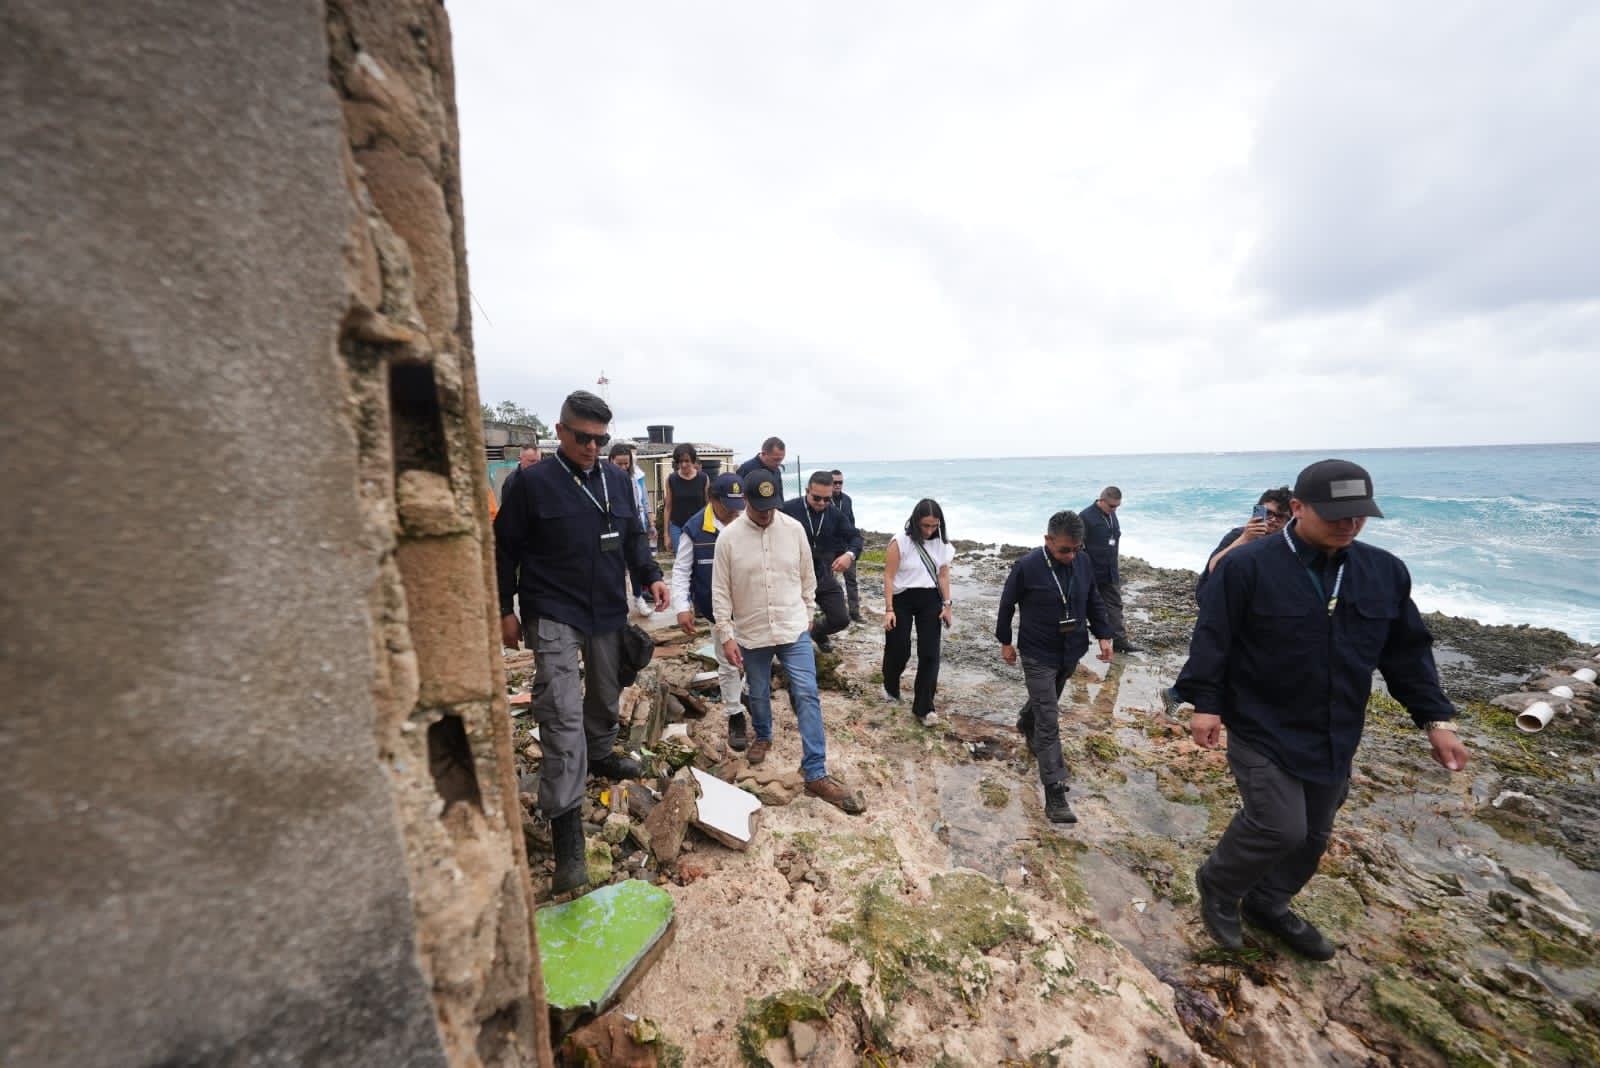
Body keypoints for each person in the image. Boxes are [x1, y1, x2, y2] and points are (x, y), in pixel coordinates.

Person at [1177, 459, 1469, 959]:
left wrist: (1435, 719)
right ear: (1297, 508)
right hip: (1260, 722)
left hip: (1335, 730)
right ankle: (1220, 886)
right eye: (1336, 513)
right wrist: (1206, 703)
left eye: (1359, 514)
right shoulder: (1248, 566)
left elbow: (1407, 653)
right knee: (1278, 825)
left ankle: (1269, 903)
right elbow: (1215, 637)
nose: (1349, 523)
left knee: (1313, 836)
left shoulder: (1384, 572)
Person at [494, 390, 669, 894]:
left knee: (605, 693)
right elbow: (504, 549)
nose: (592, 447)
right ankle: (568, 831)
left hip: (605, 607)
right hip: (552, 608)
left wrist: (650, 576)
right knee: (559, 709)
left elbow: (634, 537)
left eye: (601, 439)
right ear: (560, 431)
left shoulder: (617, 480)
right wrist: (505, 608)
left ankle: (600, 751)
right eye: (582, 438)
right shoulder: (530, 485)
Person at [712, 468, 864, 814]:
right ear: (746, 501)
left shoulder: (792, 530)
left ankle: (815, 770)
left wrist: (808, 611)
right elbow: (720, 591)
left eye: (771, 507)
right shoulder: (729, 539)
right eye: (759, 507)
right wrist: (726, 634)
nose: (766, 514)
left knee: (807, 693)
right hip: (752, 631)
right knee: (760, 691)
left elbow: (807, 576)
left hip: (793, 626)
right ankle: (763, 734)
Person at [996, 510, 1113, 824]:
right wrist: (1005, 641)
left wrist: (1104, 634)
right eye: (1064, 550)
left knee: (1044, 704)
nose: (1070, 555)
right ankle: (1055, 792)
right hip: (1037, 652)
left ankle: (1025, 719)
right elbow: (1007, 605)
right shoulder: (1027, 567)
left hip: (1071, 650)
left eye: (1076, 549)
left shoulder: (1083, 562)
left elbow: (1093, 600)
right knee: (1049, 719)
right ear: (1047, 540)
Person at [1158, 487, 1292, 716]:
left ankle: (1178, 694)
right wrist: (1246, 538)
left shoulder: (1287, 545)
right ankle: (1180, 695)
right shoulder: (1237, 536)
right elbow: (1214, 568)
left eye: (1281, 517)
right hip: (1222, 607)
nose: (1273, 520)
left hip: (1257, 613)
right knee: (1214, 657)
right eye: (1268, 513)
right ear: (1256, 511)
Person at [672, 473, 750, 750]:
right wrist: (682, 607)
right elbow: (681, 571)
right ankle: (734, 715)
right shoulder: (694, 529)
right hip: (717, 611)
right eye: (727, 505)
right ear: (712, 499)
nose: (733, 511)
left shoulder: (747, 522)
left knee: (754, 658)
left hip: (749, 606)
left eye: (737, 504)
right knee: (728, 662)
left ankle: (747, 693)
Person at [881, 499, 955, 726]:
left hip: (930, 599)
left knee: (930, 654)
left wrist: (948, 605)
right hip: (902, 598)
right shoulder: (900, 542)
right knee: (899, 648)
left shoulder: (942, 544)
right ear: (915, 521)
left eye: (934, 526)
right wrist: (889, 609)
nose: (930, 530)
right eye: (925, 526)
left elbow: (942, 576)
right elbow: (889, 576)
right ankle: (890, 686)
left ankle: (924, 707)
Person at [779, 471, 862, 654]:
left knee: (841, 618)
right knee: (793, 621)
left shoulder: (834, 513)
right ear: (807, 490)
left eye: (827, 499)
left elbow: (855, 537)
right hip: (792, 576)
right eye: (817, 498)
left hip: (822, 574)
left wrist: (849, 555)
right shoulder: (787, 509)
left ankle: (817, 632)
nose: (822, 503)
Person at [1081, 486, 1139, 653]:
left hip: (1110, 571)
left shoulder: (1112, 515)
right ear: (1101, 500)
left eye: (1117, 507)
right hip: (1091, 573)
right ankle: (1077, 642)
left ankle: (1120, 642)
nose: (1114, 509)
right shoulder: (1085, 517)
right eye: (1112, 506)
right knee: (1082, 607)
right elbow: (1077, 546)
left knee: (1115, 606)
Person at [609, 441, 657, 617]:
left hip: (636, 526)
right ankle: (619, 603)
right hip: (614, 529)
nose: (622, 467)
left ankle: (639, 598)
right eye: (619, 463)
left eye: (626, 463)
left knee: (636, 564)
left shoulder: (635, 479)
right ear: (611, 460)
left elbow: (643, 502)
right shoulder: (605, 480)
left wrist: (650, 524)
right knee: (616, 568)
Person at [662, 443, 709, 553]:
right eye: (680, 461)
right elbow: (668, 507)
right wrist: (666, 534)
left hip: (698, 527)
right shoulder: (671, 479)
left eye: (686, 461)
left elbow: (708, 506)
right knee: (680, 561)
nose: (683, 465)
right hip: (677, 527)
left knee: (698, 560)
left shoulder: (703, 478)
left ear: (692, 461)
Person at [830, 470, 863, 622]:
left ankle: (855, 613)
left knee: (851, 580)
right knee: (827, 582)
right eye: (834, 482)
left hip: (846, 547)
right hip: (830, 549)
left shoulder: (847, 500)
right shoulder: (823, 500)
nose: (837, 485)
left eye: (840, 482)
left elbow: (852, 522)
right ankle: (828, 611)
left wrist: (853, 544)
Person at [736, 436, 787, 502]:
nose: (779, 463)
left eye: (781, 459)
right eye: (776, 459)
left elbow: (780, 498)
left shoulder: (777, 471)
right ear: (763, 454)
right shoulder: (746, 469)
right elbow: (737, 498)